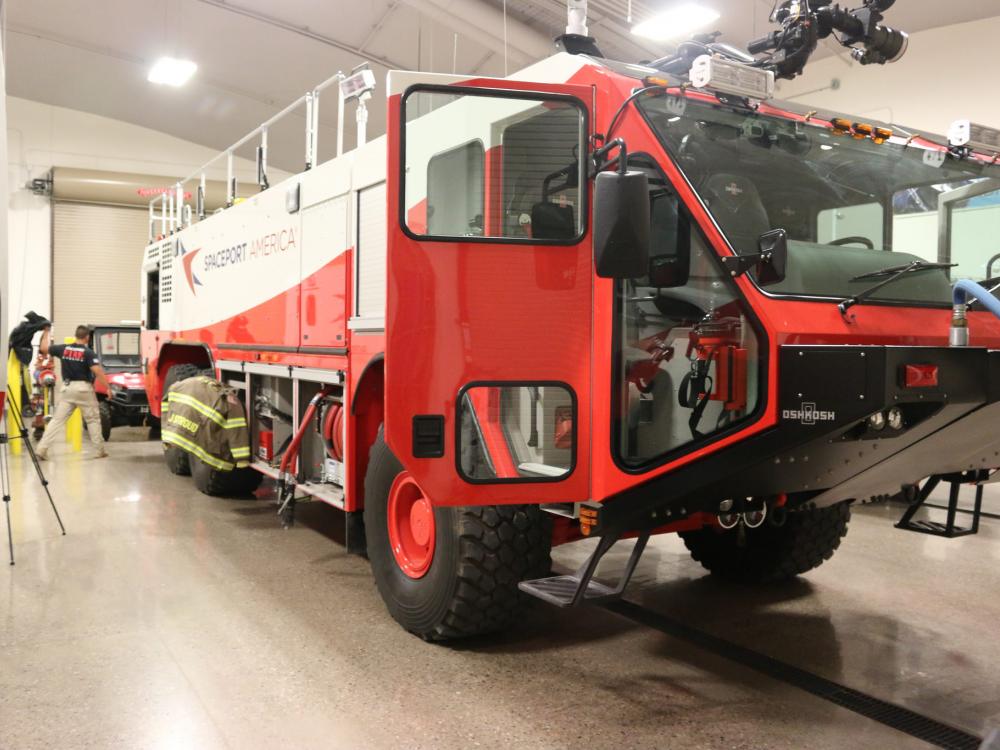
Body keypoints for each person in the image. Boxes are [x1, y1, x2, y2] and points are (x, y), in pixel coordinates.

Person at [35, 325, 111, 460]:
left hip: (67, 389)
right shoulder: (88, 353)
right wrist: (108, 388)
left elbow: (44, 348)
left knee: (57, 421)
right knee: (92, 420)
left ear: (76, 336)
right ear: (87, 337)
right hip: (83, 389)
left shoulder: (63, 349)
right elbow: (97, 371)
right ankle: (100, 451)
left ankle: (41, 449)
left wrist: (46, 332)